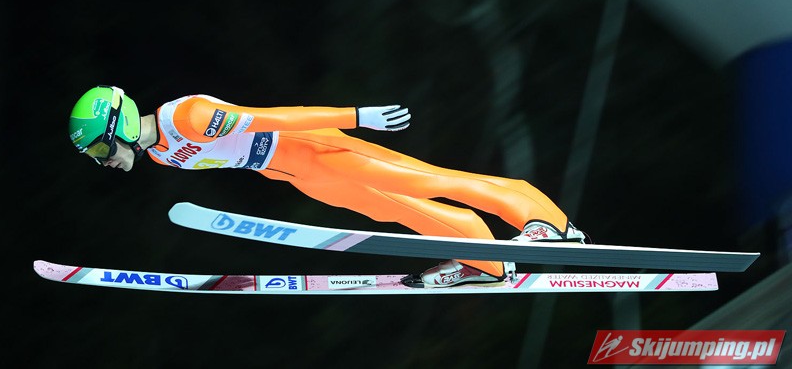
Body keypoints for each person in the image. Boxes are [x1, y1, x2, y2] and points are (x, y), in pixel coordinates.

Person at [68, 85, 585, 288]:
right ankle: (485, 260)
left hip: (312, 147)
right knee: (392, 210)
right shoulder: (160, 152)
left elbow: (275, 117)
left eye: (98, 150)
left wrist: (356, 116)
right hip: (293, 172)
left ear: (118, 125)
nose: (102, 162)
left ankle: (549, 223)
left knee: (428, 181)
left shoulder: (189, 118)